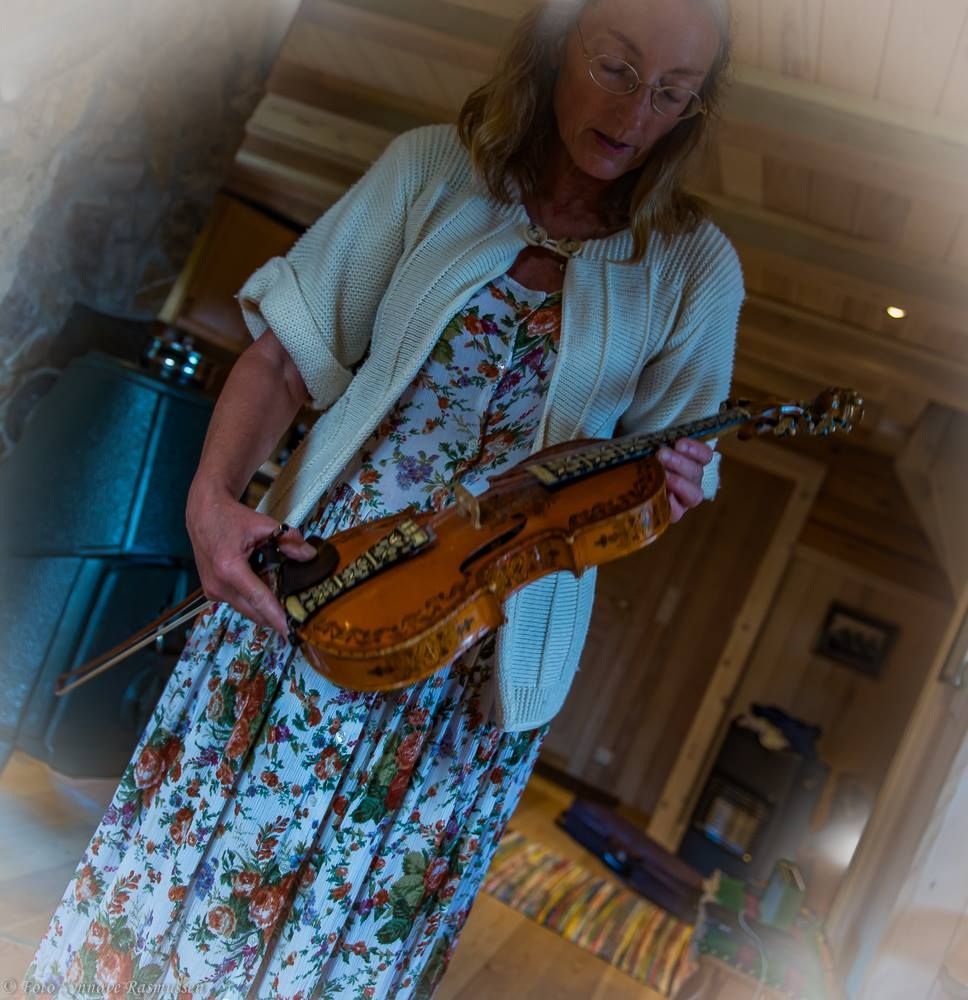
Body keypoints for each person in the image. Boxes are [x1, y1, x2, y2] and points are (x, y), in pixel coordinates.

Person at [27, 0, 742, 995]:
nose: (635, 114)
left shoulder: (696, 269)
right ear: (556, 43)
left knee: (342, 945)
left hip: (471, 667)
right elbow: (283, 358)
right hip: (308, 593)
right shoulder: (431, 170)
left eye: (672, 93)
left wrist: (669, 489)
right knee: (183, 878)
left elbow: (645, 485)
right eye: (616, 68)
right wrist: (210, 503)